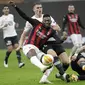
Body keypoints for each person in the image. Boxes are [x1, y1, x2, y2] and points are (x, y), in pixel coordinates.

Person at [9, 2, 70, 83]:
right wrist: (15, 6)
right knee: (52, 57)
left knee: (64, 62)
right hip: (39, 45)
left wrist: (63, 38)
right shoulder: (36, 23)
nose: (47, 22)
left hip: (46, 46)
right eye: (45, 21)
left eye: (49, 21)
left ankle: (47, 78)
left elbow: (58, 38)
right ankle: (63, 74)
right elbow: (24, 16)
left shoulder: (51, 31)